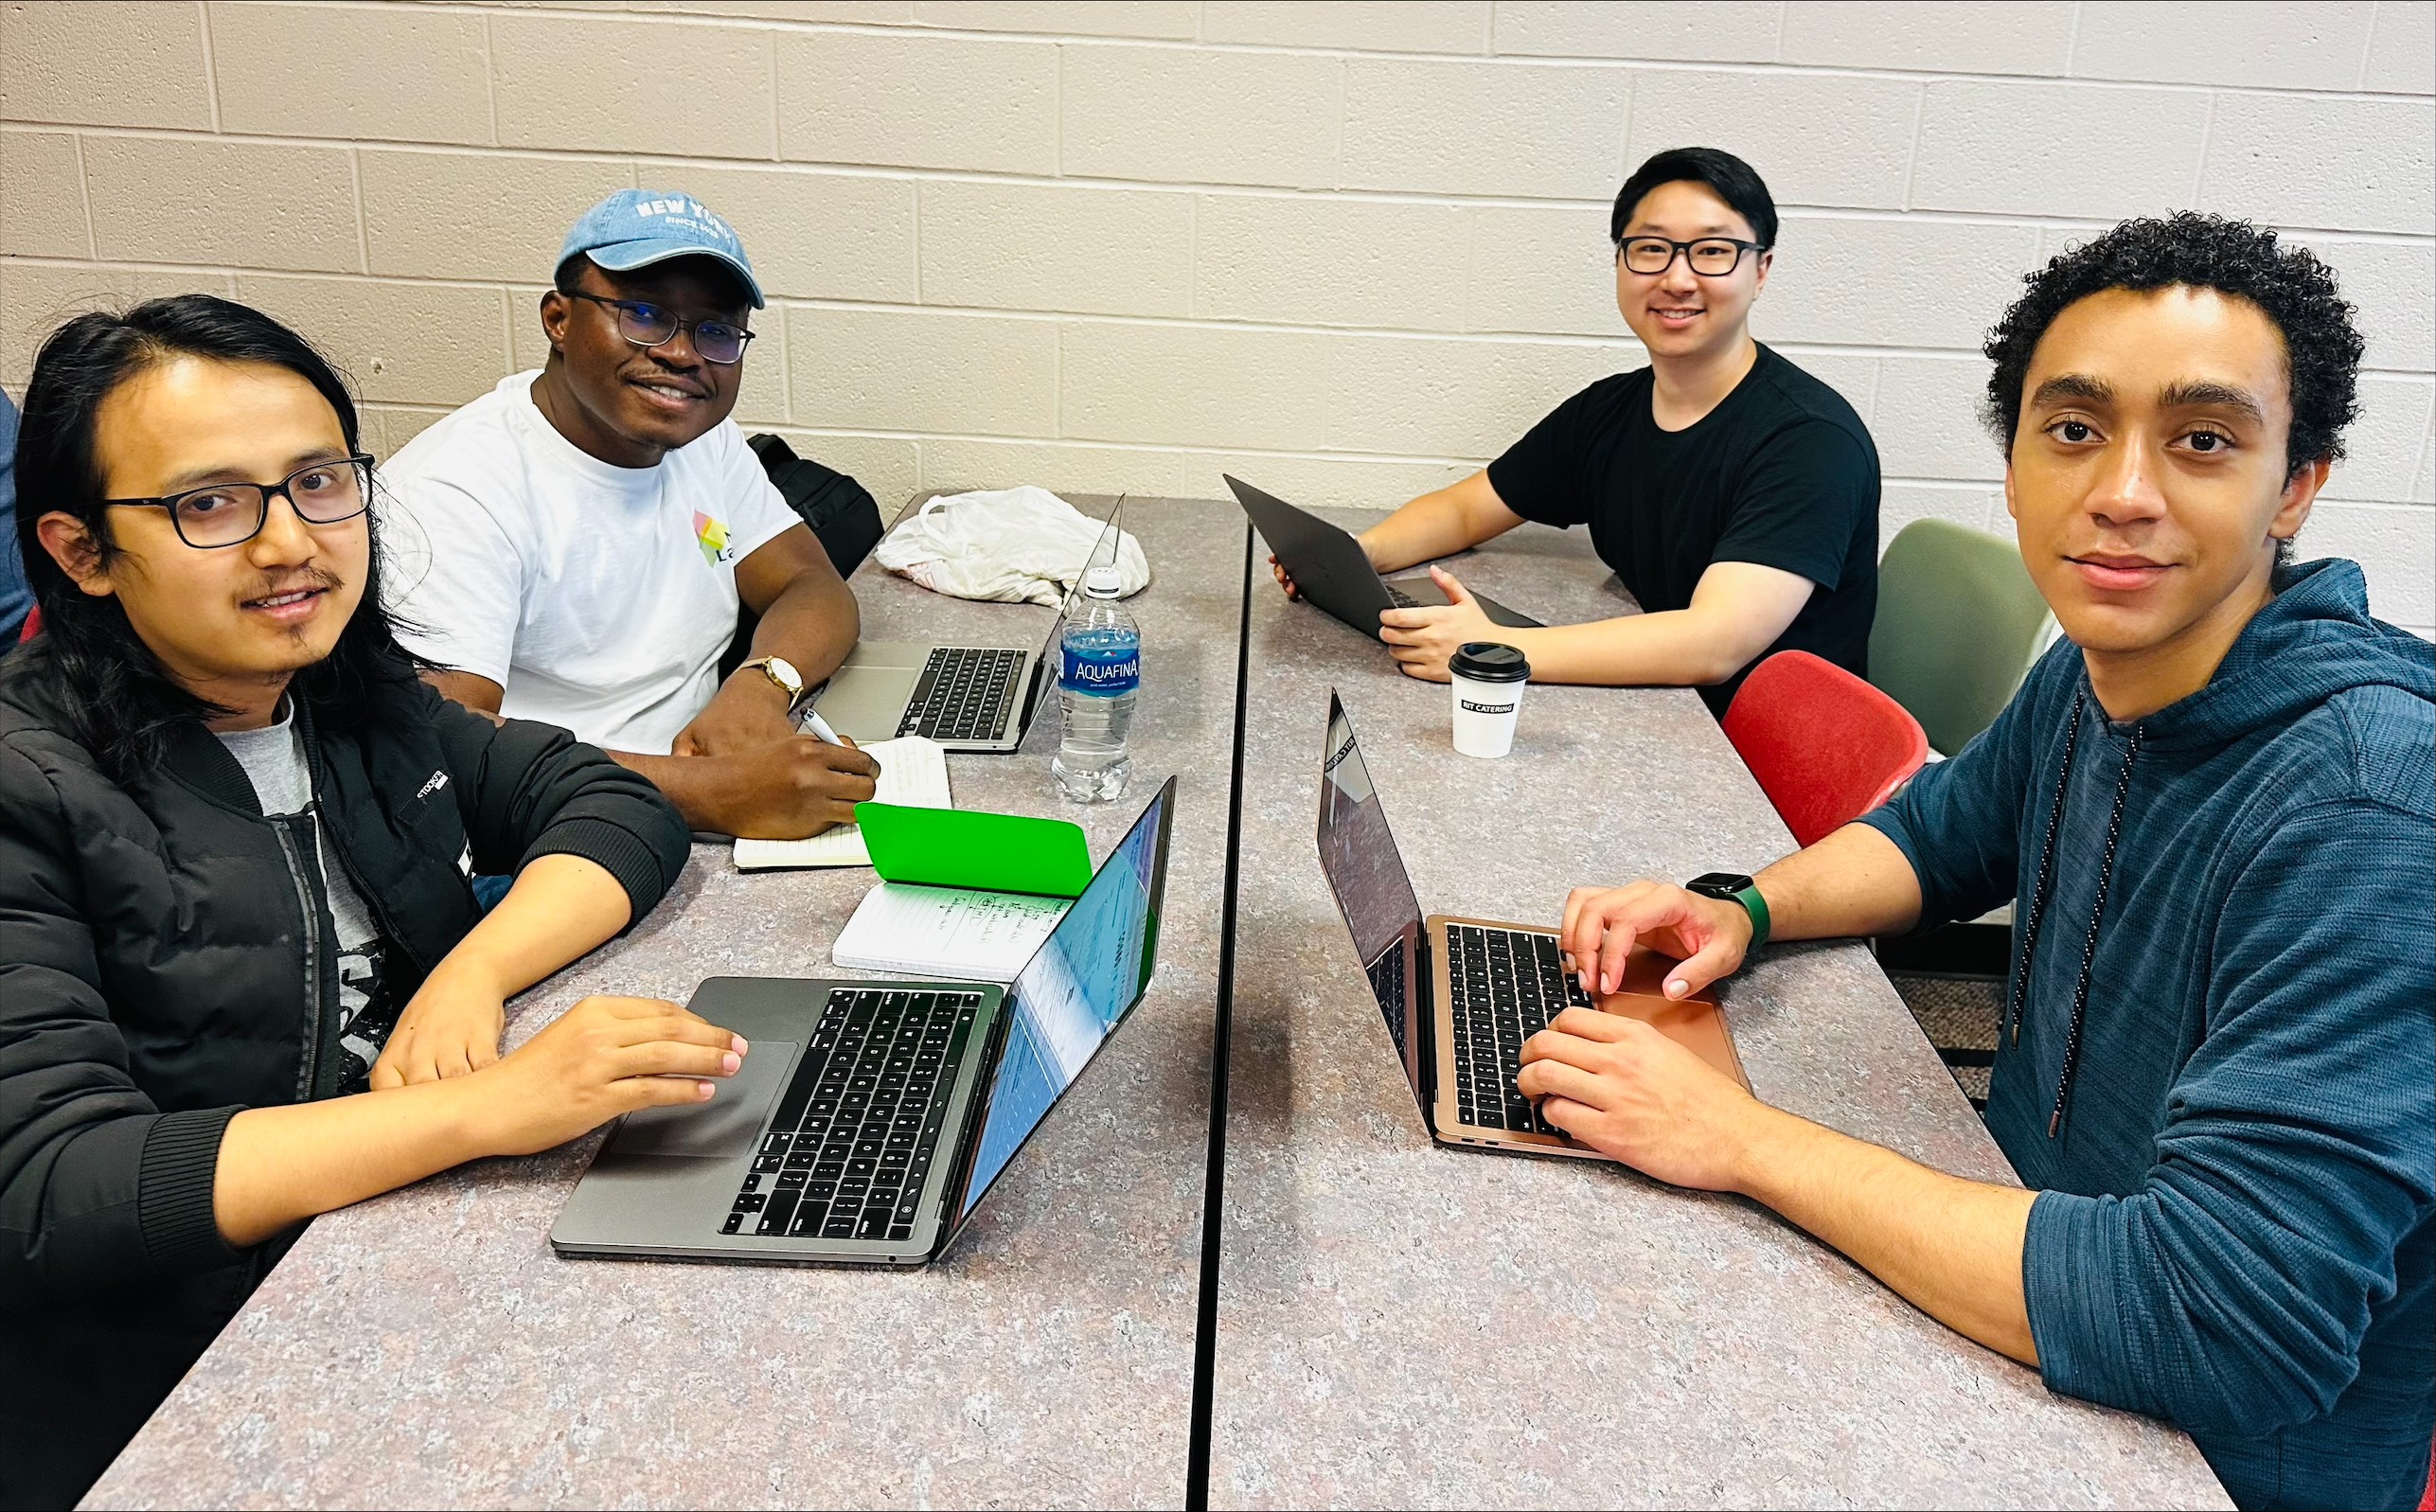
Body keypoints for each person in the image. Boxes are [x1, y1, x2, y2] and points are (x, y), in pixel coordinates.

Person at [1529, 215, 2431, 1510]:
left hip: (2205, 1460)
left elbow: (2219, 1323)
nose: (2122, 490)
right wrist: (1742, 906)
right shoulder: (2095, 668)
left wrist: (1741, 1140)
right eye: (2073, 430)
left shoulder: (2371, 810)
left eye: (2202, 440)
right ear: (2013, 467)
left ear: (2296, 484)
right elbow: (1939, 833)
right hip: (2008, 1282)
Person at [0, 295, 751, 1509]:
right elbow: (53, 1188)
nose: (290, 542)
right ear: (83, 550)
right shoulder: (29, 780)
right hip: (173, 1382)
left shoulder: (344, 694)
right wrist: (493, 1107)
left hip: (389, 1252)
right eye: (209, 503)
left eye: (317, 482)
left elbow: (609, 806)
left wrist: (475, 970)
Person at [1276, 147, 1878, 717]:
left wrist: (1498, 649)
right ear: (1620, 261)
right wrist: (1358, 557)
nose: (1677, 278)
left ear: (1762, 269)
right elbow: (1467, 510)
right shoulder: (1611, 410)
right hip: (1656, 710)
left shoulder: (1810, 441)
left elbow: (1713, 643)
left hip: (1763, 759)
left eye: (1713, 252)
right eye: (1651, 249)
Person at [382, 189, 877, 839]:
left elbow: (811, 585)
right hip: (559, 833)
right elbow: (450, 748)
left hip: (711, 794)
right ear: (558, 319)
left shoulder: (700, 438)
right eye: (643, 314)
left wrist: (760, 687)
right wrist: (710, 792)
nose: (683, 354)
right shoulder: (456, 489)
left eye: (716, 330)